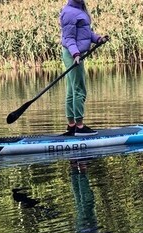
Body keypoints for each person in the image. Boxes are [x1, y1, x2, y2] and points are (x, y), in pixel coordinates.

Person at [60, 0, 109, 136]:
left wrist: (98, 39)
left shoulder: (79, 9)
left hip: (73, 53)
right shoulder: (70, 13)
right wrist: (76, 54)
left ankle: (72, 126)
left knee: (71, 90)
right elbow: (69, 38)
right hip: (73, 54)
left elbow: (85, 33)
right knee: (79, 90)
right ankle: (80, 127)